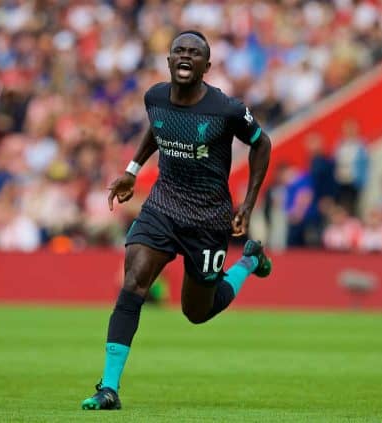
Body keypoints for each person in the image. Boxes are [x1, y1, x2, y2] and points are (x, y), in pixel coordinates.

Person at [81, 30, 273, 411]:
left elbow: (261, 143)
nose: (185, 56)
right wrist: (133, 170)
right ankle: (109, 388)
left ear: (207, 66)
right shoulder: (154, 97)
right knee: (133, 283)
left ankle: (250, 260)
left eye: (194, 52)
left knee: (197, 312)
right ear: (169, 60)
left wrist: (248, 205)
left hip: (209, 219)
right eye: (179, 51)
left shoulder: (227, 109)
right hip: (163, 207)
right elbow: (158, 126)